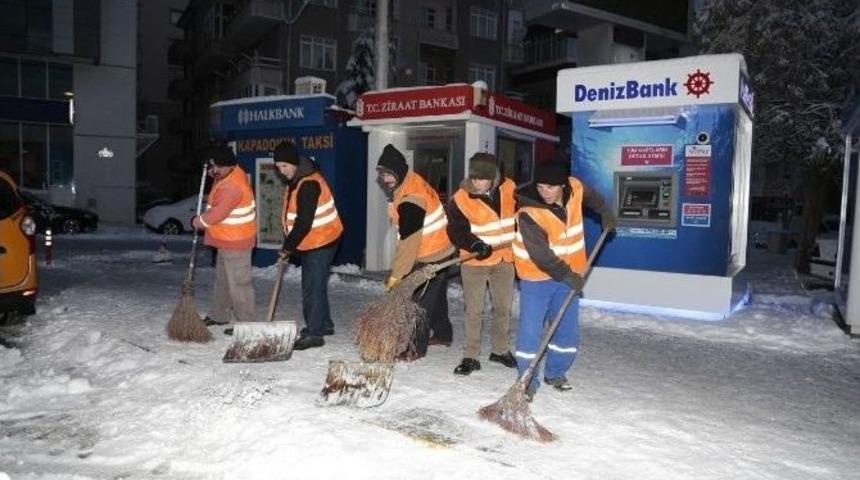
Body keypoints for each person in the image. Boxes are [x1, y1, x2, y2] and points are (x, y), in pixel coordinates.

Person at [512, 161, 616, 400]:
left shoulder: (576, 187)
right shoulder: (529, 213)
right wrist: (569, 275)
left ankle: (556, 372)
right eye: (540, 186)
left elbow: (596, 199)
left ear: (563, 185)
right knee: (531, 331)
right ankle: (526, 380)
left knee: (566, 329)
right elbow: (542, 256)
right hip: (536, 278)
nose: (544, 192)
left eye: (550, 187)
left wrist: (605, 213)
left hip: (569, 275)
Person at [376, 144, 456, 360]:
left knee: (419, 305)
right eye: (382, 174)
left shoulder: (412, 197)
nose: (385, 179)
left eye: (388, 173)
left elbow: (409, 242)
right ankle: (443, 334)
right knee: (435, 297)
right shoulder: (409, 182)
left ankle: (414, 348)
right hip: (440, 248)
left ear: (399, 171)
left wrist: (397, 275)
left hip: (431, 255)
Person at [446, 152, 517, 376]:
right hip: (474, 262)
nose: (477, 183)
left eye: (482, 178)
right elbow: (456, 229)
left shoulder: (510, 189)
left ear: (494, 177)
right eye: (474, 177)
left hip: (505, 258)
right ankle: (471, 356)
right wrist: (474, 244)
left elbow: (526, 212)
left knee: (503, 308)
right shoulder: (460, 197)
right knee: (474, 311)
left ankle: (500, 349)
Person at [273, 141, 343, 350]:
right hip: (316, 239)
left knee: (311, 287)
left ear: (294, 163)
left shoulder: (308, 184)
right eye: (278, 167)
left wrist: (287, 248)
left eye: (284, 166)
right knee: (316, 283)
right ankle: (324, 324)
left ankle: (314, 334)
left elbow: (304, 222)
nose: (281, 171)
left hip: (321, 241)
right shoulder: (298, 179)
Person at [192, 145, 257, 334]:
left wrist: (197, 221)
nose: (214, 171)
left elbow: (216, 214)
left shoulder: (232, 185)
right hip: (225, 240)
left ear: (229, 165)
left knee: (239, 283)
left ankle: (246, 324)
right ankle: (219, 315)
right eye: (212, 167)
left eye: (217, 167)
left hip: (237, 242)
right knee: (223, 281)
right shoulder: (226, 176)